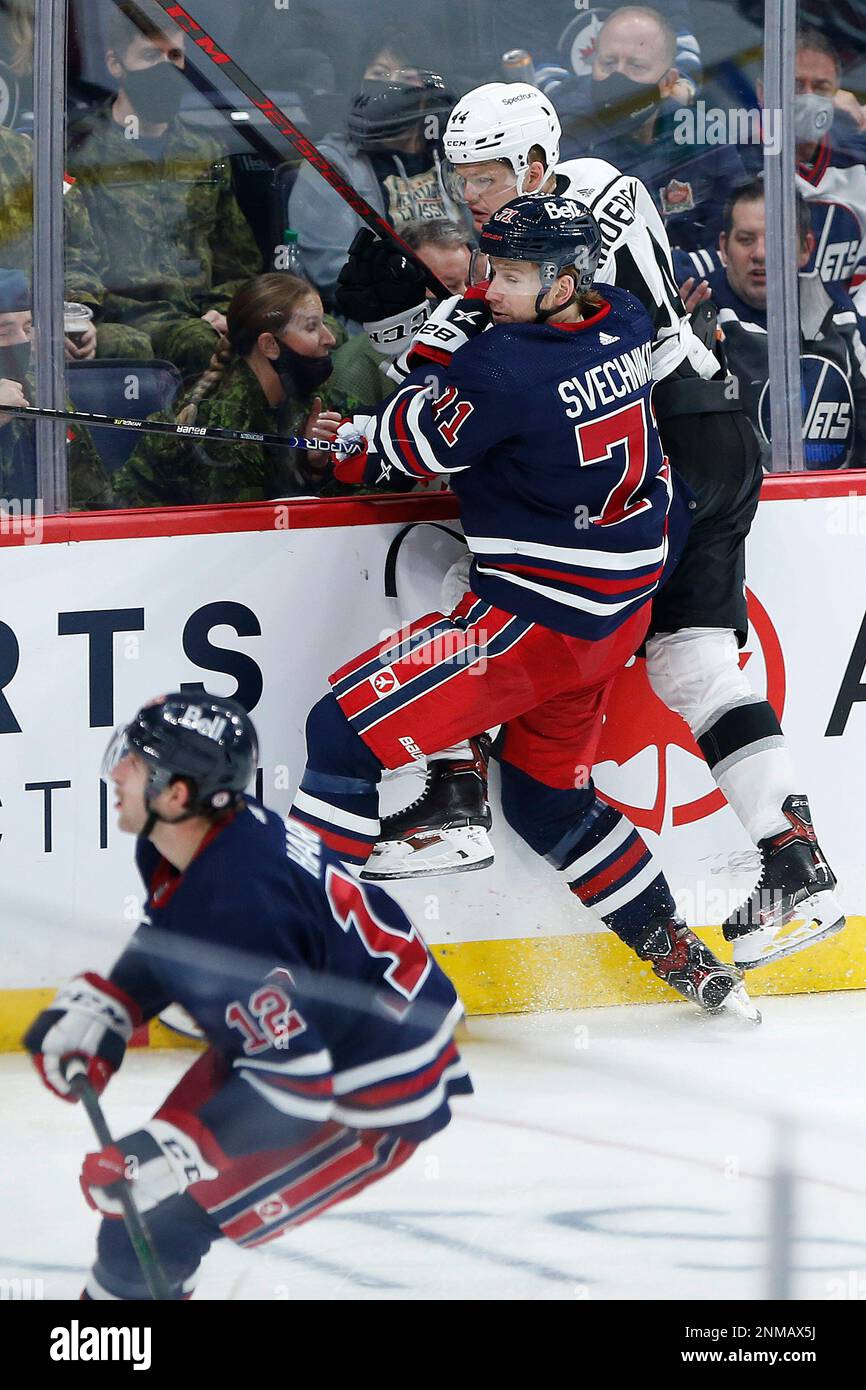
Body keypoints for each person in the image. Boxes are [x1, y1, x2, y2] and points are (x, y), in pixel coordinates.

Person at [340, 80, 844, 973]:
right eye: (462, 179)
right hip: (720, 433)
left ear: (536, 161)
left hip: (663, 453)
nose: (476, 197)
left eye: (490, 176)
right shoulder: (597, 198)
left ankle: (455, 796)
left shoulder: (564, 216)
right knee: (695, 662)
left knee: (478, 584)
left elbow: (506, 345)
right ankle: (794, 862)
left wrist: (424, 338)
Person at [295, 193, 759, 1021]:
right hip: (611, 622)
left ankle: (310, 968)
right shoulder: (616, 315)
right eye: (492, 268)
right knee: (549, 800)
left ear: (563, 279)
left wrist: (358, 430)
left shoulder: (505, 372)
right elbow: (502, 337)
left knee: (339, 733)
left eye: (510, 273)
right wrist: (471, 312)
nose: (493, 286)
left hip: (528, 629)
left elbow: (410, 448)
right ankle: (683, 955)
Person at [23, 692, 472, 1301]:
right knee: (140, 1217)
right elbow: (177, 934)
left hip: (366, 1089)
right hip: (309, 1034)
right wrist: (117, 1003)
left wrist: (178, 1149)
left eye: (135, 761)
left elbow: (297, 1087)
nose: (116, 771)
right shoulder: (189, 837)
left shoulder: (240, 905)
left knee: (153, 1232)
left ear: (178, 794)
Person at [65, 2, 262, 379]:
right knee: (200, 343)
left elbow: (237, 258)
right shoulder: (80, 151)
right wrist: (79, 313)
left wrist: (228, 310)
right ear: (114, 63)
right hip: (123, 314)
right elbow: (68, 252)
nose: (166, 69)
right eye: (150, 56)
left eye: (175, 56)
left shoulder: (205, 151)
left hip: (199, 311)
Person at [675, 181, 866, 469]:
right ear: (724, 248)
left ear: (806, 248)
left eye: (776, 238)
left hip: (839, 502)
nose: (761, 254)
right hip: (748, 507)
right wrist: (676, 339)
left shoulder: (837, 311)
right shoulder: (699, 312)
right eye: (746, 239)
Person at [112, 273, 343, 508]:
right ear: (269, 345)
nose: (330, 338)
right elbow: (252, 527)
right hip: (144, 534)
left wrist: (314, 465)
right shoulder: (227, 430)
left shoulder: (306, 393)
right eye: (312, 327)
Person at [548, 6, 747, 252]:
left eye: (636, 67)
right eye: (608, 63)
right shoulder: (565, 135)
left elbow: (734, 228)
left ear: (667, 82)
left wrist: (689, 277)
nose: (618, 78)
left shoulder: (700, 134)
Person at [288, 42, 459, 306]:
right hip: (382, 319)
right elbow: (334, 273)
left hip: (468, 301)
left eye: (405, 75)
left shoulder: (454, 153)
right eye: (379, 74)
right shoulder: (331, 164)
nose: (391, 85)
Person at [328, 218, 471, 417]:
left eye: (469, 282)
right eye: (449, 285)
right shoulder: (356, 368)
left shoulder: (480, 344)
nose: (464, 297)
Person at [0, 267, 111, 509]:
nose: (21, 341)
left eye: (27, 329)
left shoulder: (40, 390)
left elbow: (89, 500)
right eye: (4, 332)